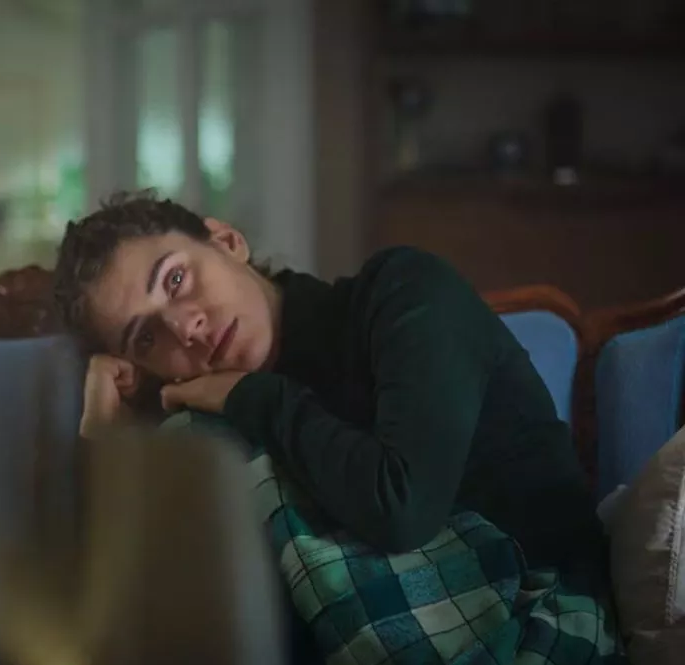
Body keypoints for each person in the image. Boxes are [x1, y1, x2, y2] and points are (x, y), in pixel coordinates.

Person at [51, 190, 604, 582]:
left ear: (227, 241)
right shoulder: (205, 425)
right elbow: (111, 610)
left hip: (545, 620)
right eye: (147, 337)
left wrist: (255, 396)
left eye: (176, 279)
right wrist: (103, 438)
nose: (185, 327)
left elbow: (403, 509)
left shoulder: (405, 292)